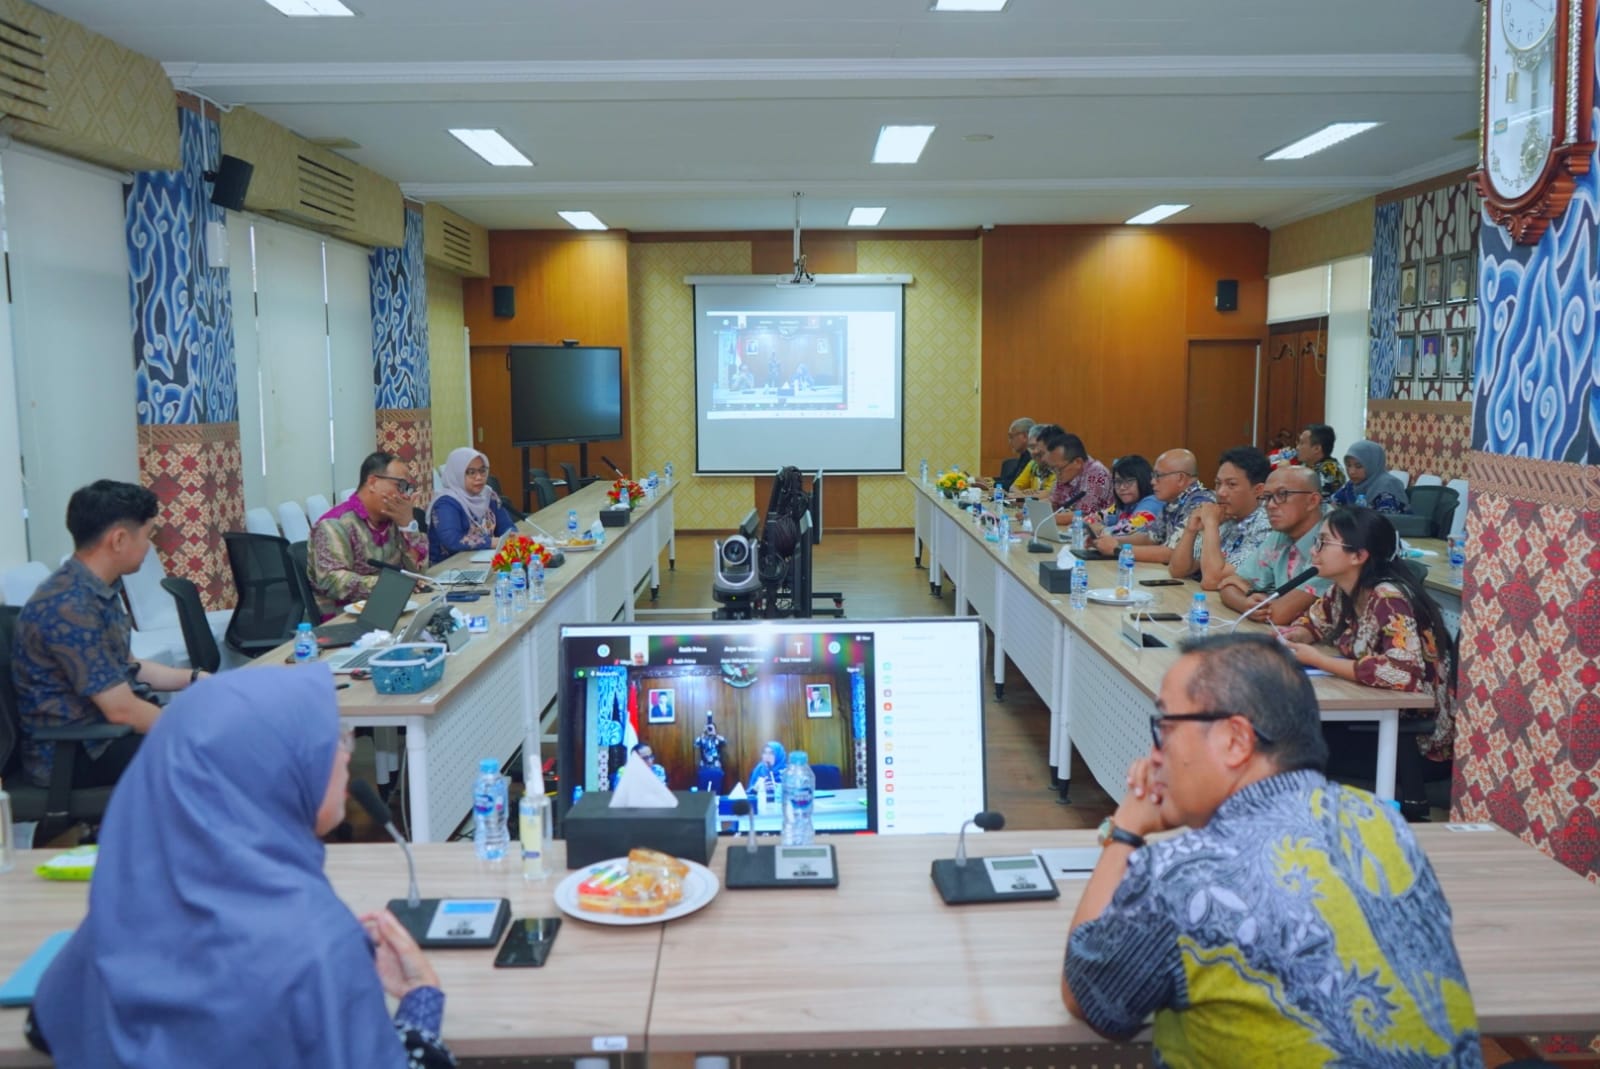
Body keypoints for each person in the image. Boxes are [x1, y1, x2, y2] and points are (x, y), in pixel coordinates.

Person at [1059, 634, 1481, 1065]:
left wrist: (1126, 829)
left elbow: (1090, 996)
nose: (1153, 753)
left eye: (1164, 727)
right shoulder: (1381, 823)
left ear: (1235, 741)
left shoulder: (1184, 875)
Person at [26, 665, 454, 1067]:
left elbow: (44, 1027)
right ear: (266, 772)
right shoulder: (318, 944)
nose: (345, 755)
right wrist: (421, 1001)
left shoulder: (121, 912)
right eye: (334, 741)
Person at [12, 480, 206, 790]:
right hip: (78, 754)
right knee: (218, 754)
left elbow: (130, 666)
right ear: (118, 540)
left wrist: (196, 679)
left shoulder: (98, 589)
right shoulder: (68, 605)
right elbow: (121, 710)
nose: (148, 547)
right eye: (147, 537)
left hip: (108, 738)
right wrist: (190, 728)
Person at [1280, 508, 1457, 766]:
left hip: (1413, 737)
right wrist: (1300, 633)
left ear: (1359, 555)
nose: (1313, 551)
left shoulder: (1389, 597)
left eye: (1323, 543)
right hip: (1373, 715)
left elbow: (1401, 672)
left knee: (1287, 742)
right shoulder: (1342, 591)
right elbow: (1316, 622)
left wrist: (1319, 661)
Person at [309, 452, 429, 619]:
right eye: (400, 486)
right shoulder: (334, 524)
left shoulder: (392, 518)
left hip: (392, 607)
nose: (405, 496)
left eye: (407, 489)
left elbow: (419, 574)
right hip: (345, 618)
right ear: (373, 482)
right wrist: (389, 585)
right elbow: (332, 580)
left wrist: (407, 526)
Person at [1217, 465, 1331, 626]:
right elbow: (1228, 585)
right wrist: (1246, 604)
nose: (1270, 505)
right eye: (1267, 497)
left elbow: (1278, 615)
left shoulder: (1333, 541)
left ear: (1312, 501)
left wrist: (1251, 602)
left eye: (1282, 494)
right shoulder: (1282, 533)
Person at [1169, 446, 1273, 588]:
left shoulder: (1267, 526)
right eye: (1218, 484)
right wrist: (1191, 530)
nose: (1221, 492)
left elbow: (1212, 581)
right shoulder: (1226, 516)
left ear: (1258, 490)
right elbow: (1177, 570)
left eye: (1231, 484)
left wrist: (1211, 525)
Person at [1092, 449, 1214, 563]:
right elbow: (1150, 537)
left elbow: (1174, 553)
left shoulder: (1200, 503)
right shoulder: (1172, 501)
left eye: (1158, 476)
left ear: (1180, 478)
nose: (1152, 482)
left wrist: (1118, 549)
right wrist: (1108, 542)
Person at [427, 447, 517, 564]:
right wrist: (492, 542)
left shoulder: (488, 495)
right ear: (457, 474)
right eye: (471, 472)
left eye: (482, 470)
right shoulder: (445, 503)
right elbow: (452, 540)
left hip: (482, 562)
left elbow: (506, 526)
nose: (479, 477)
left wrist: (512, 536)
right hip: (447, 569)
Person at [1043, 431, 1114, 517]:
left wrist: (1047, 517)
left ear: (1078, 462)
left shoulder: (1097, 474)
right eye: (1053, 468)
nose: (1056, 473)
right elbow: (1053, 502)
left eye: (1058, 469)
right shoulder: (1065, 472)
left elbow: (1083, 515)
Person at [1330, 440, 1411, 514]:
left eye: (1358, 466)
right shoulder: (1352, 485)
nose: (1351, 471)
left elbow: (1385, 521)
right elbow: (1332, 504)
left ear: (1372, 464)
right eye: (1348, 465)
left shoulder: (1388, 485)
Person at [1091, 456, 1161, 538]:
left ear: (1143, 480)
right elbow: (1091, 520)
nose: (1122, 487)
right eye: (1118, 482)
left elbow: (1128, 531)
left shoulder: (1153, 503)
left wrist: (1101, 530)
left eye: (1129, 481)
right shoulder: (1123, 505)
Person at [1007, 423, 1059, 499]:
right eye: (1031, 447)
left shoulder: (1058, 467)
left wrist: (1022, 495)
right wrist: (1025, 494)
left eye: (1037, 446)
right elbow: (1013, 488)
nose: (1034, 452)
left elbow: (1049, 495)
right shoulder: (1033, 464)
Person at [1297, 424, 1346, 498]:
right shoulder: (1306, 465)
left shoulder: (1330, 470)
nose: (1297, 447)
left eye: (1302, 443)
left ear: (1317, 448)